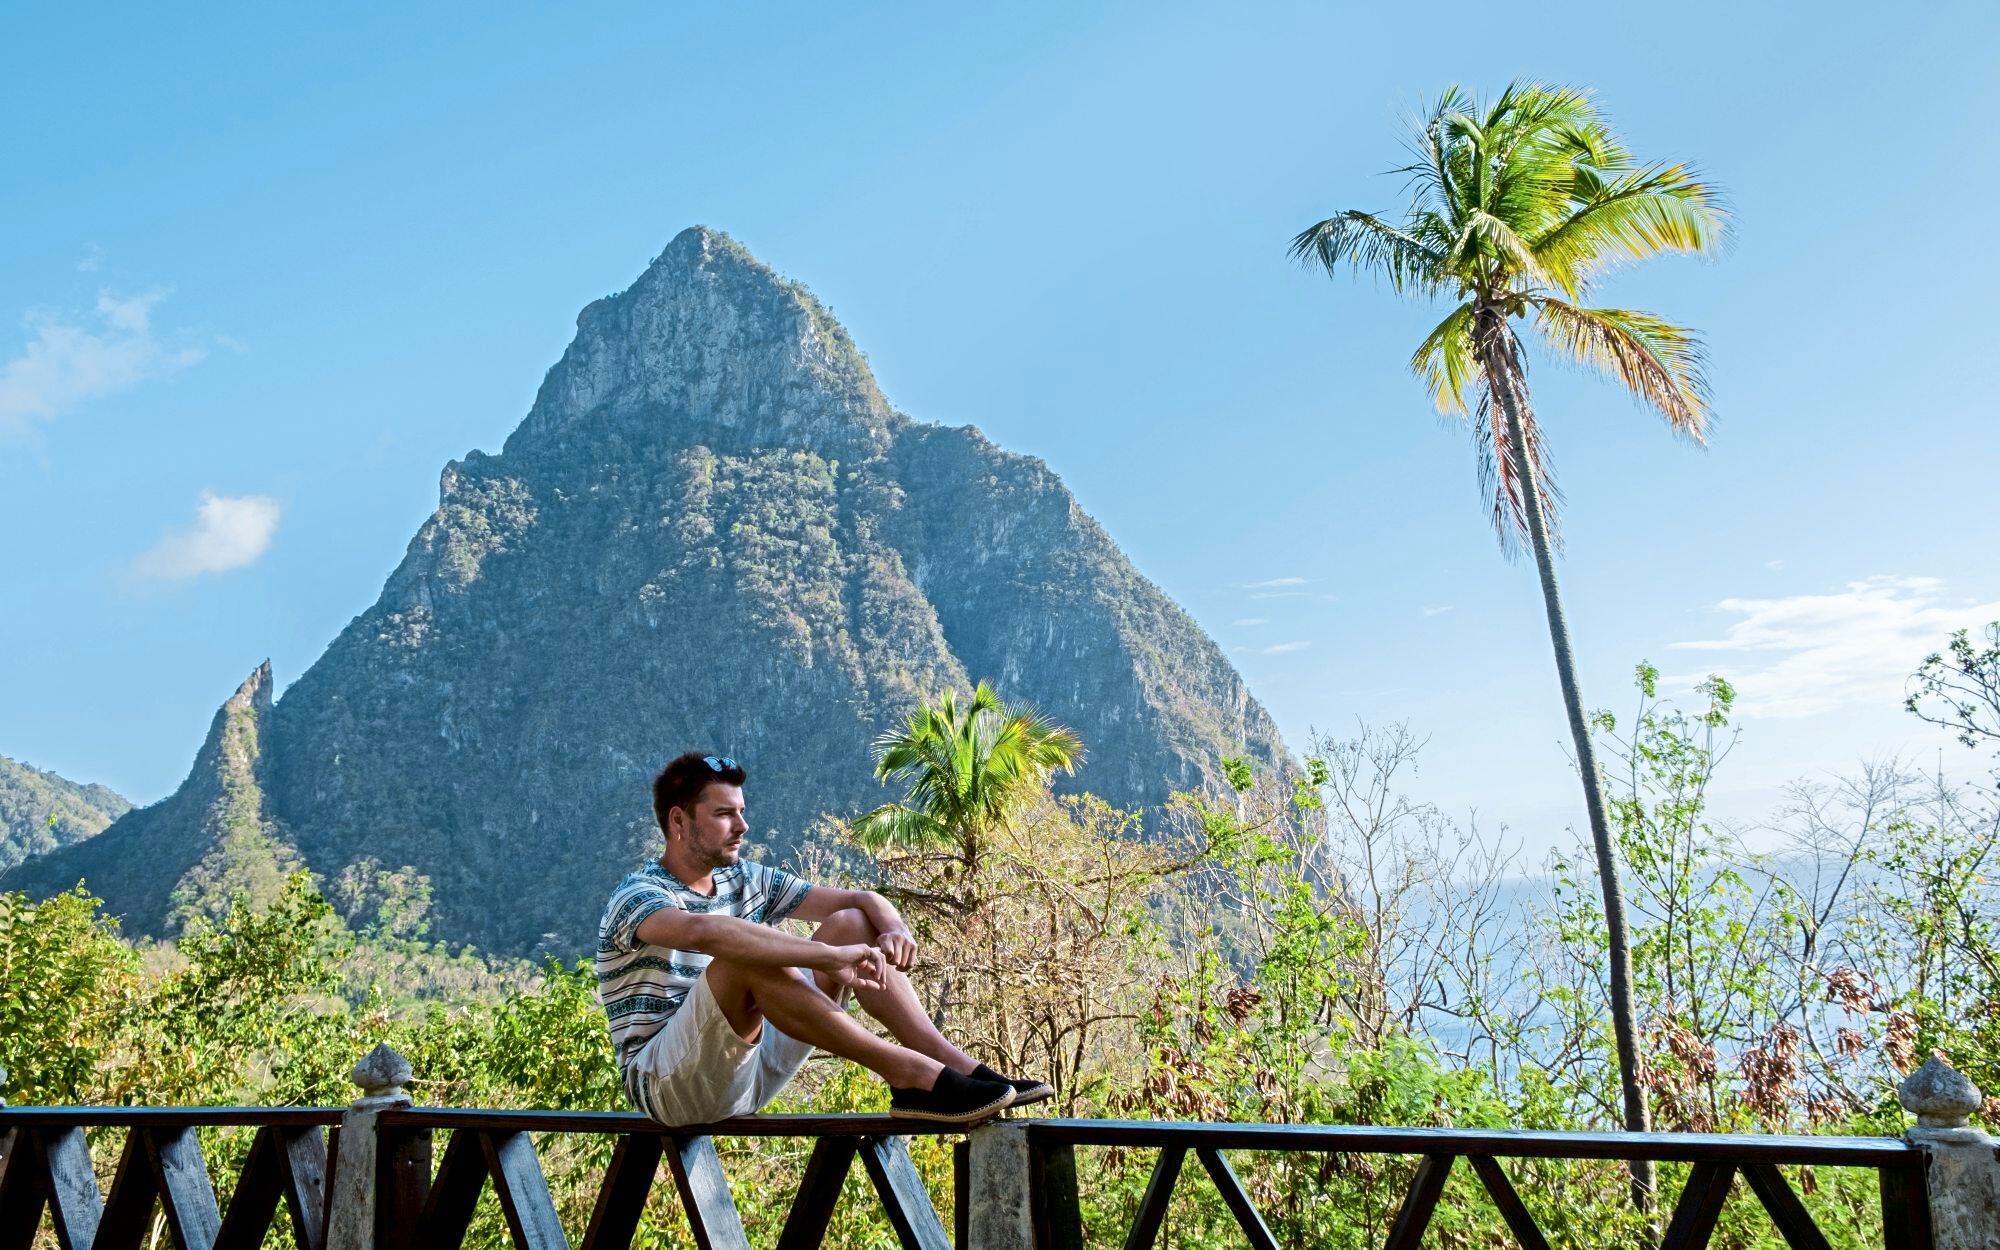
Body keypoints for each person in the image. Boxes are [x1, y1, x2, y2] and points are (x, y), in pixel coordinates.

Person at [597, 751, 1053, 1125]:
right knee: (747, 950)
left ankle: (947, 1061)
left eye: (741, 811)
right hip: (669, 1085)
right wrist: (829, 957)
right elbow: (706, 932)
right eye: (723, 814)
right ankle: (908, 1074)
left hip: (750, 1068)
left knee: (854, 921)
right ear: (679, 822)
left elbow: (860, 898)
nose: (742, 826)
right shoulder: (638, 895)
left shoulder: (743, 879)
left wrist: (893, 928)